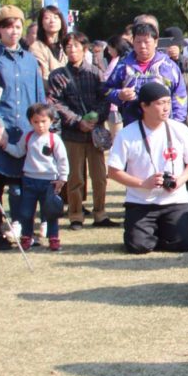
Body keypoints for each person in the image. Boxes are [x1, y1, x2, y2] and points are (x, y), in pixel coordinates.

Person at [0, 6, 44, 250]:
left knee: (28, 186)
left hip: (25, 129)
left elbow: (38, 96)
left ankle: (25, 231)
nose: (13, 31)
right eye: (7, 27)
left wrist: (43, 127)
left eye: (17, 26)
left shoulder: (30, 59)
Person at [106, 82, 188, 254]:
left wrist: (180, 180)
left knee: (184, 244)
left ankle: (163, 232)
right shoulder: (127, 134)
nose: (166, 108)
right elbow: (113, 171)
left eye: (168, 102)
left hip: (175, 200)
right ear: (144, 106)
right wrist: (143, 183)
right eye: (160, 103)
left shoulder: (179, 129)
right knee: (138, 246)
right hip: (141, 202)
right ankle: (150, 232)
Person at [48, 32, 114, 230]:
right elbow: (56, 103)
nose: (72, 50)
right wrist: (77, 121)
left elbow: (106, 99)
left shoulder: (96, 73)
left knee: (100, 176)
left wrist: (96, 117)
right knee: (75, 177)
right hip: (72, 134)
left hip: (94, 134)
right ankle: (75, 215)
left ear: (84, 49)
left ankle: (100, 213)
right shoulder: (57, 75)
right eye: (68, 46)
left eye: (76, 46)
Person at [5, 103, 68, 250]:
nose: (40, 125)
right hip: (29, 180)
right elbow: (18, 152)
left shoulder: (55, 139)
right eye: (36, 122)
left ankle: (53, 237)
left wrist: (62, 178)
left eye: (44, 121)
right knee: (27, 212)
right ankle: (27, 236)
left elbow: (62, 160)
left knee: (50, 211)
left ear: (51, 121)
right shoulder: (28, 137)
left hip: (49, 181)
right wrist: (5, 145)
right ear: (30, 122)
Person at [105, 22, 187, 125]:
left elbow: (180, 97)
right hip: (133, 126)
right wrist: (119, 95)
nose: (142, 46)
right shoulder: (123, 66)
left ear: (156, 42)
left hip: (163, 127)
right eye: (138, 42)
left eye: (147, 42)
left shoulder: (169, 67)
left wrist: (176, 124)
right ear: (133, 42)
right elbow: (106, 91)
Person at [28, 5, 68, 85]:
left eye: (56, 17)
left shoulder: (66, 45)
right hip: (51, 94)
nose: (52, 21)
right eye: (47, 18)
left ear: (61, 21)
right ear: (41, 23)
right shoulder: (36, 47)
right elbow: (43, 77)